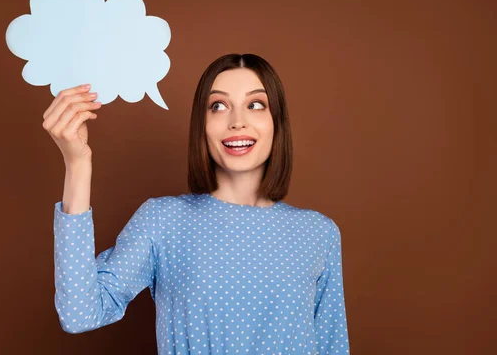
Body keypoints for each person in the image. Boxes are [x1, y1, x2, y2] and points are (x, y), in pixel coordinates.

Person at [43, 54, 350, 354]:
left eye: (256, 104)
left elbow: (332, 346)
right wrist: (77, 165)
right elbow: (79, 314)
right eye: (218, 106)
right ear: (201, 125)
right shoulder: (163, 220)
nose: (237, 122)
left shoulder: (318, 233)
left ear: (277, 122)